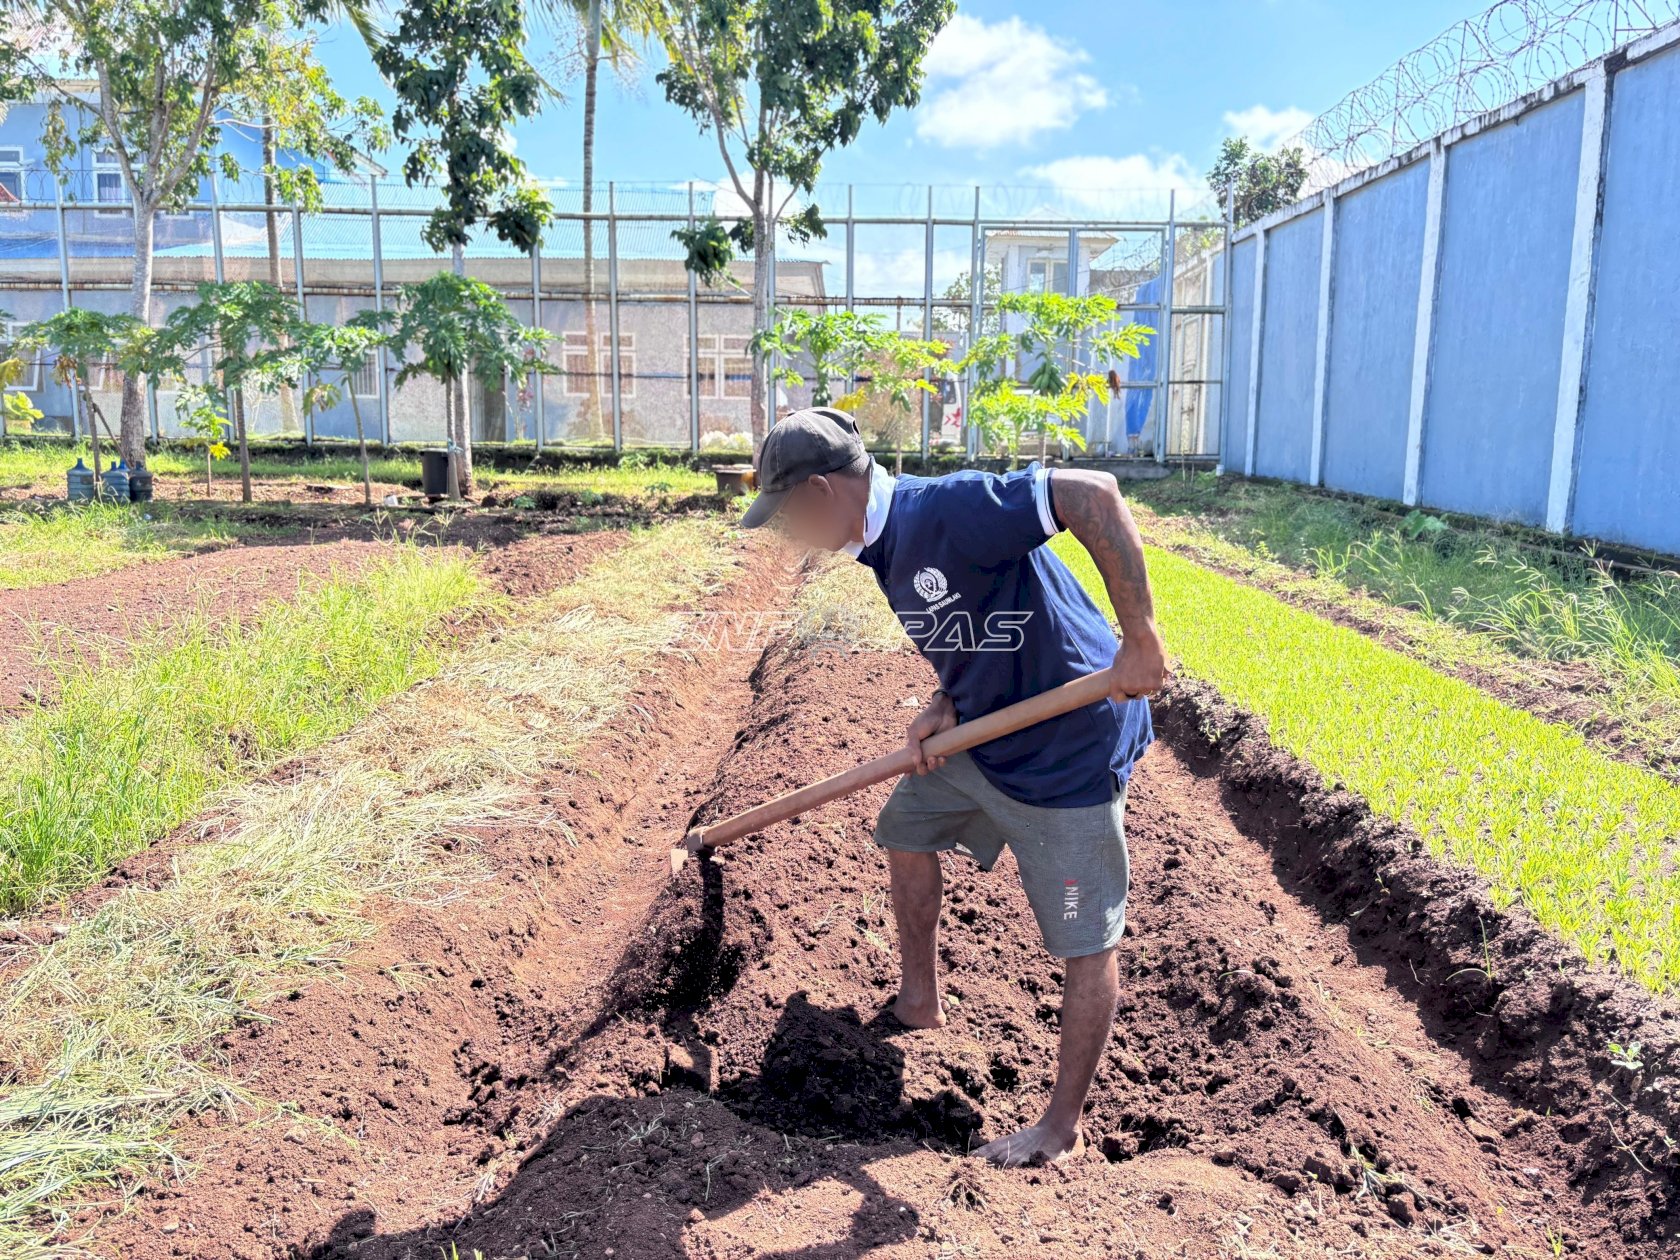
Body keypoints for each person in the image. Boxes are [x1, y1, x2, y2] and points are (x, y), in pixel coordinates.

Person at [739, 407, 1168, 1166]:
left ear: (819, 493)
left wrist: (1140, 638)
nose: (788, 535)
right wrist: (946, 700)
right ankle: (919, 1001)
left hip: (1066, 755)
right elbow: (974, 625)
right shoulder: (879, 545)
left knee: (1082, 936)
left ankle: (1058, 1129)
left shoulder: (948, 509)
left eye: (786, 518)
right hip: (990, 732)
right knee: (907, 829)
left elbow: (1093, 492)